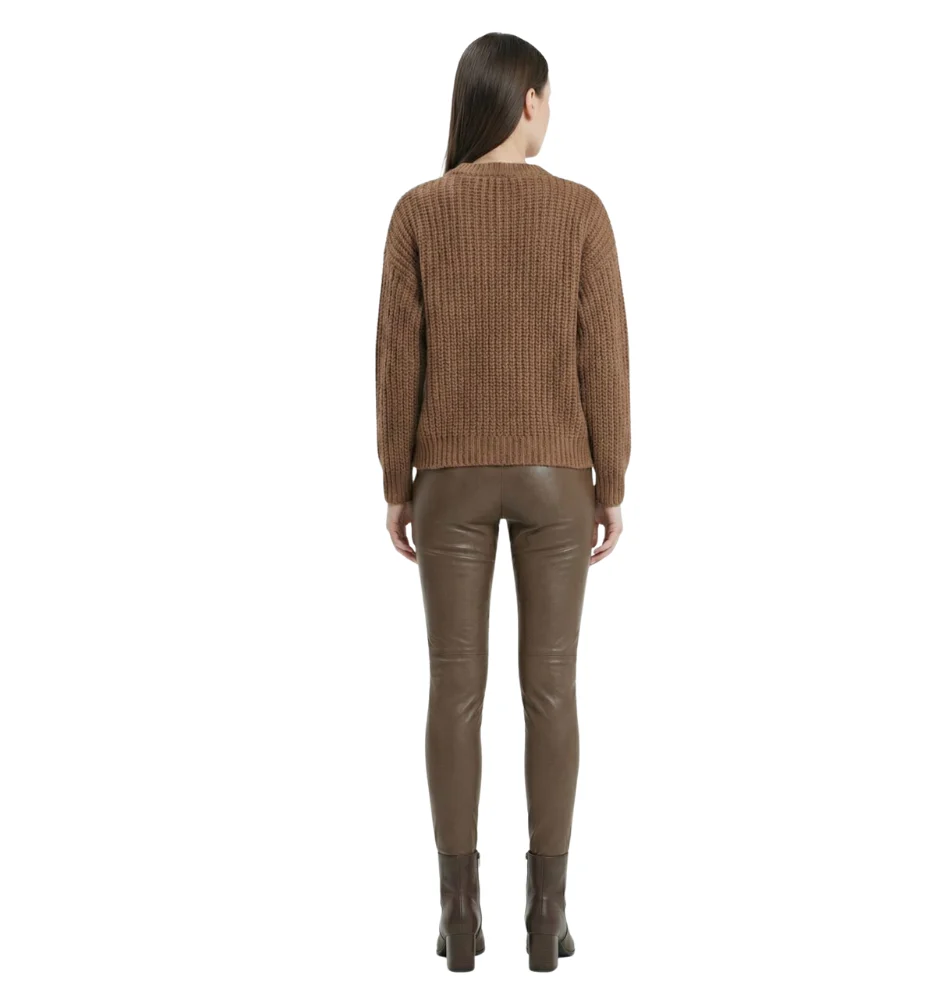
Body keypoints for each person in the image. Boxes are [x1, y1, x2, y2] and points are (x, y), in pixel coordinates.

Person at [374, 31, 631, 973]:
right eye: (547, 98)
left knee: (455, 685)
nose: (549, 112)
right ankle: (545, 918)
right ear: (527, 100)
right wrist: (612, 478)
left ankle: (458, 916)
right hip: (558, 475)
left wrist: (395, 480)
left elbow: (397, 357)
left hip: (447, 477)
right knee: (551, 684)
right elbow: (605, 353)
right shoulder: (580, 211)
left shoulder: (418, 211)